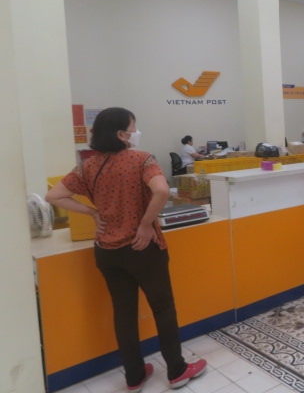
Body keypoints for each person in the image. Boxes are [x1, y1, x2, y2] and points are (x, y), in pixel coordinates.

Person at [46, 108, 207, 392]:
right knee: (163, 307)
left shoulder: (87, 167)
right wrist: (145, 225)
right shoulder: (142, 159)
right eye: (133, 127)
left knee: (123, 312)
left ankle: (134, 376)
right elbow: (161, 190)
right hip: (142, 248)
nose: (136, 132)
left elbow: (53, 195)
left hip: (106, 251)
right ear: (121, 134)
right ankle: (177, 371)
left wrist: (92, 212)